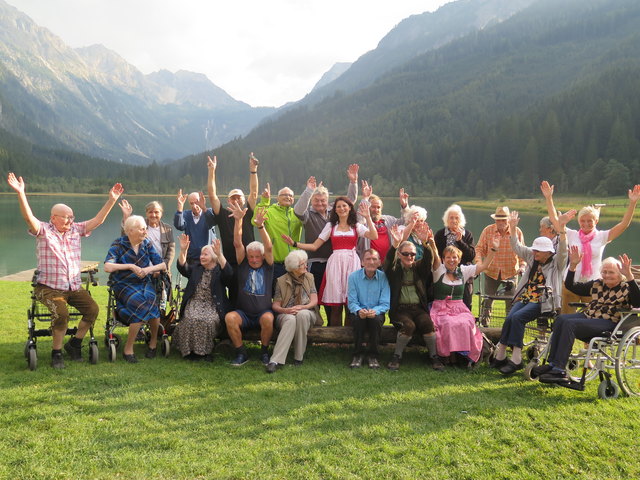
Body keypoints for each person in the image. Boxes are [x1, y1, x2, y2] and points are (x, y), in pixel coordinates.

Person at [7, 173, 123, 369]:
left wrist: (111, 200)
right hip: (48, 288)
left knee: (92, 310)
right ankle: (56, 352)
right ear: (54, 218)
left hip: (73, 287)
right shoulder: (44, 231)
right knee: (61, 314)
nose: (70, 220)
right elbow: (28, 218)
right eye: (67, 217)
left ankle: (75, 343)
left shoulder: (75, 230)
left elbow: (98, 221)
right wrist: (21, 193)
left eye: (72, 217)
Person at [536, 249, 640, 386]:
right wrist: (572, 266)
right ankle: (552, 364)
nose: (607, 275)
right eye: (604, 272)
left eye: (611, 272)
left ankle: (559, 369)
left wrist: (630, 277)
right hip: (589, 317)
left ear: (620, 273)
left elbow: (637, 303)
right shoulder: (598, 284)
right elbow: (572, 286)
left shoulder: (627, 286)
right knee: (561, 319)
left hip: (609, 322)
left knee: (570, 324)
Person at [541, 180, 640, 314]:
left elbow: (623, 225)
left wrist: (633, 203)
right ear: (578, 221)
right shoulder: (572, 235)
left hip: (593, 286)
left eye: (590, 221)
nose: (586, 224)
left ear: (596, 221)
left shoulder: (602, 236)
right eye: (582, 220)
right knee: (566, 319)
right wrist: (548, 197)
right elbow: (554, 219)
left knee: (591, 318)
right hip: (570, 283)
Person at [491, 210, 571, 375]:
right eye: (534, 250)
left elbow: (563, 250)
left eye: (538, 251)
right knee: (510, 318)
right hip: (527, 297)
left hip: (543, 301)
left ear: (548, 252)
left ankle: (516, 358)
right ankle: (500, 354)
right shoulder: (532, 257)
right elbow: (517, 247)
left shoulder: (557, 263)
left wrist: (562, 229)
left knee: (518, 318)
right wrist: (513, 228)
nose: (534, 253)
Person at [282, 197, 378, 326]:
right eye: (338, 206)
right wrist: (294, 243)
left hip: (352, 262)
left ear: (349, 208)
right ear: (335, 210)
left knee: (351, 303)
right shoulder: (331, 226)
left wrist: (367, 218)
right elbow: (315, 246)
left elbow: (374, 235)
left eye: (344, 206)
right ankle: (335, 337)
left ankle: (347, 337)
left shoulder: (356, 226)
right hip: (335, 263)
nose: (341, 208)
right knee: (336, 305)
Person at [293, 165, 359, 316]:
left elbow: (349, 202)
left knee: (333, 300)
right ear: (312, 201)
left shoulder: (335, 213)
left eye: (323, 201)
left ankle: (332, 330)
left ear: (327, 201)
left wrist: (353, 183)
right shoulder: (307, 214)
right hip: (315, 262)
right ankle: (314, 326)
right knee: (314, 297)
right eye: (316, 201)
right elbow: (297, 210)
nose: (320, 203)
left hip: (335, 262)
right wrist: (309, 191)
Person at [429, 231, 499, 368]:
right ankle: (448, 356)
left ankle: (464, 355)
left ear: (459, 259)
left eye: (454, 257)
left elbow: (484, 267)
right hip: (440, 308)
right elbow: (435, 257)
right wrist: (432, 243)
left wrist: (494, 250)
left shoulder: (464, 271)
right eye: (448, 257)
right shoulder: (439, 270)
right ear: (443, 259)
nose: (451, 260)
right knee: (448, 323)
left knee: (466, 322)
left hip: (459, 307)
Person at [104, 215, 167, 363]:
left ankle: (152, 344)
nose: (145, 232)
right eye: (142, 229)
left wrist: (147, 270)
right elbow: (108, 266)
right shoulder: (118, 244)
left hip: (144, 283)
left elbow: (162, 265)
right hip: (124, 284)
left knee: (153, 303)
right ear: (130, 231)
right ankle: (128, 348)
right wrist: (130, 266)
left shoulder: (146, 243)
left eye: (145, 228)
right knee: (142, 305)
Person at [384, 221, 441, 371]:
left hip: (418, 309)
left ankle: (434, 357)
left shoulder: (419, 268)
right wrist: (395, 244)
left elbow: (429, 260)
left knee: (428, 324)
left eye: (413, 254)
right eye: (406, 254)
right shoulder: (394, 270)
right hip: (400, 310)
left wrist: (425, 243)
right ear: (399, 254)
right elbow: (388, 262)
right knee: (408, 326)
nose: (410, 256)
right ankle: (396, 357)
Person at [225, 203, 275, 366]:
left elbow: (268, 246)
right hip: (243, 313)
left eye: (257, 257)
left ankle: (264, 352)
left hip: (263, 312)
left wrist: (260, 226)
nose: (253, 260)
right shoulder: (243, 264)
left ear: (262, 257)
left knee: (268, 319)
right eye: (251, 256)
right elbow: (237, 243)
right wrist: (239, 221)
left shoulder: (268, 267)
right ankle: (241, 353)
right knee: (230, 318)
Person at [173, 234, 232, 361]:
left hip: (212, 305)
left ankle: (204, 352)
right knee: (190, 318)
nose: (201, 257)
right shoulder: (196, 269)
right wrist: (183, 250)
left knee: (208, 321)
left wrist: (220, 255)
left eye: (205, 254)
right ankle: (189, 352)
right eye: (201, 254)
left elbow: (229, 274)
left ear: (213, 257)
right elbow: (183, 268)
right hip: (194, 302)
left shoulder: (219, 270)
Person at [267, 249, 322, 373]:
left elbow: (314, 300)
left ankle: (298, 357)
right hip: (286, 313)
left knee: (302, 315)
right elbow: (275, 305)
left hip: (307, 311)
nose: (306, 266)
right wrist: (285, 310)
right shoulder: (281, 281)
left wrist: (303, 307)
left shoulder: (309, 277)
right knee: (291, 319)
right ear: (294, 267)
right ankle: (275, 360)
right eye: (302, 264)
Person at [119, 199, 175, 307]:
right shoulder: (140, 225)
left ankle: (158, 322)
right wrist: (126, 216)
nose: (153, 215)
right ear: (146, 213)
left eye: (156, 212)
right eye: (150, 212)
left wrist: (159, 268)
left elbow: (171, 252)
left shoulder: (167, 229)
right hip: (140, 270)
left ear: (161, 213)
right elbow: (125, 237)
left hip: (160, 271)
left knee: (159, 304)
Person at [207, 153, 259, 266]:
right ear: (228, 201)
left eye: (238, 197)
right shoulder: (222, 214)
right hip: (229, 261)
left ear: (244, 200)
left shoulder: (248, 212)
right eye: (233, 198)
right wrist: (212, 171)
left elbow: (254, 193)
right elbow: (212, 195)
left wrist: (253, 171)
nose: (236, 200)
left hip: (251, 259)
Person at [475, 206, 527, 318]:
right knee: (487, 301)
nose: (501, 222)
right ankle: (484, 325)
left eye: (503, 219)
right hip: (491, 272)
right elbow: (478, 249)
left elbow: (522, 252)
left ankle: (509, 327)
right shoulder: (488, 231)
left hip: (511, 273)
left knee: (511, 303)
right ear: (495, 219)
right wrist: (479, 264)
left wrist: (522, 266)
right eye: (498, 219)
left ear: (508, 220)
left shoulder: (516, 232)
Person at [347, 249, 390, 369]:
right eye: (368, 259)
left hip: (376, 312)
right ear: (362, 262)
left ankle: (373, 356)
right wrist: (359, 310)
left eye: (374, 259)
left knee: (375, 321)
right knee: (358, 321)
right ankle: (357, 355)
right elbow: (351, 301)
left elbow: (385, 302)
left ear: (379, 262)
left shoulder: (384, 278)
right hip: (359, 311)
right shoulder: (353, 277)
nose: (371, 262)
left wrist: (375, 311)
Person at [254, 183, 303, 283]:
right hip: (276, 264)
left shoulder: (297, 214)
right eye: (284, 195)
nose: (288, 197)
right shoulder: (270, 211)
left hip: (295, 264)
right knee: (276, 295)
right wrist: (264, 201)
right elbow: (255, 220)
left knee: (294, 296)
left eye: (290, 196)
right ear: (277, 198)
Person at [434, 204, 475, 309]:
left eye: (456, 218)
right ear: (447, 219)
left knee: (465, 302)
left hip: (462, 272)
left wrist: (460, 241)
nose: (454, 220)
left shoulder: (467, 234)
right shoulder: (440, 234)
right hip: (443, 272)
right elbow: (435, 254)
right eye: (451, 218)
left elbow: (471, 256)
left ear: (460, 220)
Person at [356, 182, 408, 260]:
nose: (376, 210)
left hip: (387, 263)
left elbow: (404, 221)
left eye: (378, 207)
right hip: (369, 263)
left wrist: (404, 206)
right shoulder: (364, 221)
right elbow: (359, 218)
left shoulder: (388, 220)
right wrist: (365, 198)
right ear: (368, 207)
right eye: (373, 207)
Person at [174, 189, 217, 264]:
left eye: (196, 202)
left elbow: (213, 222)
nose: (194, 206)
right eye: (191, 203)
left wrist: (204, 208)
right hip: (192, 258)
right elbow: (179, 226)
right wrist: (180, 209)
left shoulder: (208, 212)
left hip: (209, 257)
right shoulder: (186, 215)